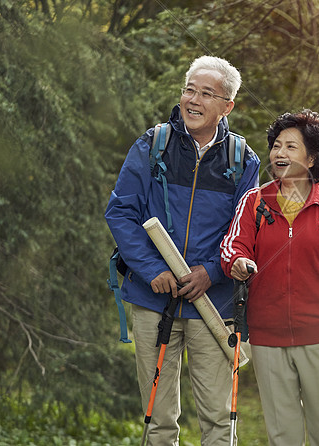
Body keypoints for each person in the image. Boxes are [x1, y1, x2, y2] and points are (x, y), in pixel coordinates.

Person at [105, 55, 260, 446]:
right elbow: (121, 212)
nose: (193, 99)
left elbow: (245, 231)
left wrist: (212, 271)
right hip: (153, 298)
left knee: (219, 423)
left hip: (215, 307)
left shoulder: (243, 161)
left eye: (206, 93)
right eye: (189, 89)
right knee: (158, 422)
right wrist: (151, 269)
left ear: (228, 106)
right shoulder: (153, 144)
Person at [220, 109, 319, 446]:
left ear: (312, 158)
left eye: (290, 147)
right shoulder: (255, 201)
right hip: (268, 338)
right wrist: (239, 262)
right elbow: (232, 246)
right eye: (276, 146)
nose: (279, 153)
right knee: (282, 435)